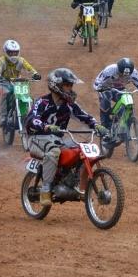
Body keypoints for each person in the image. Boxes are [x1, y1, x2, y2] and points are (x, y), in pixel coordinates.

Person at [26, 68, 107, 205]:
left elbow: (84, 116)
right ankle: (45, 190)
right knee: (53, 152)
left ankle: (77, 187)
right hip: (37, 138)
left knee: (80, 151)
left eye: (71, 85)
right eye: (67, 85)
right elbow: (31, 119)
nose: (70, 89)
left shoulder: (69, 105)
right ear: (55, 85)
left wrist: (96, 125)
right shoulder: (42, 102)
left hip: (57, 140)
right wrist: (46, 126)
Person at [0, 39, 42, 128]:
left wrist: (35, 73)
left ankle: (27, 114)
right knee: (5, 94)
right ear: (5, 51)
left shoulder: (21, 60)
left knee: (26, 95)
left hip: (17, 82)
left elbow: (29, 67)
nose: (13, 55)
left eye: (15, 52)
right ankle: (3, 117)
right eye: (11, 52)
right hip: (3, 82)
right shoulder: (1, 60)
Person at [93, 57, 138, 130]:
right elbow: (99, 81)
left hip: (120, 89)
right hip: (105, 87)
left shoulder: (133, 73)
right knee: (105, 100)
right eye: (121, 74)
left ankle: (122, 122)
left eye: (126, 75)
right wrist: (98, 87)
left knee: (127, 99)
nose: (123, 76)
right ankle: (105, 125)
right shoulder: (109, 70)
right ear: (118, 69)